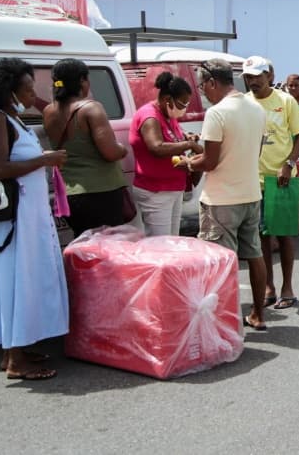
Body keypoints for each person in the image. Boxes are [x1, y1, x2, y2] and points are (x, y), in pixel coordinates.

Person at [0, 58, 69, 380]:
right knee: (19, 279)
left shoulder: (13, 119)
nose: (33, 93)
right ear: (9, 90)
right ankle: (16, 360)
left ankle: (15, 347)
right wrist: (44, 160)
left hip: (29, 215)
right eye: (28, 88)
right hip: (14, 218)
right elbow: (0, 168)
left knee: (29, 277)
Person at [187, 59, 269, 331]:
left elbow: (209, 161)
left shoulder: (217, 113)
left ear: (212, 82)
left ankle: (223, 323)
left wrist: (188, 163)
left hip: (221, 200)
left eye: (202, 87)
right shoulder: (256, 108)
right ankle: (258, 314)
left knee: (220, 264)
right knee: (254, 255)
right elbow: (254, 152)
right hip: (250, 194)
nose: (203, 93)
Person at [244, 57, 299, 311]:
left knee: (283, 237)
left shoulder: (285, 101)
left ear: (269, 76)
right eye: (248, 77)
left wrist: (289, 163)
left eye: (257, 76)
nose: (253, 81)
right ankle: (268, 287)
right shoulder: (244, 103)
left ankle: (287, 288)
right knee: (261, 238)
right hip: (252, 180)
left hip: (281, 179)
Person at [43, 58, 131, 237]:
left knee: (84, 250)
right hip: (100, 192)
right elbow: (110, 152)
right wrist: (123, 148)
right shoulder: (91, 108)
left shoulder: (48, 111)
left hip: (69, 195)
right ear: (82, 81)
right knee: (108, 251)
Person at [129, 72, 203, 237]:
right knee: (160, 245)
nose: (184, 109)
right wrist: (188, 144)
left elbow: (174, 137)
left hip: (173, 188)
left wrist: (186, 137)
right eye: (182, 104)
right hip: (156, 191)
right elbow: (156, 147)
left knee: (171, 242)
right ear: (167, 99)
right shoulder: (150, 116)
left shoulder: (168, 115)